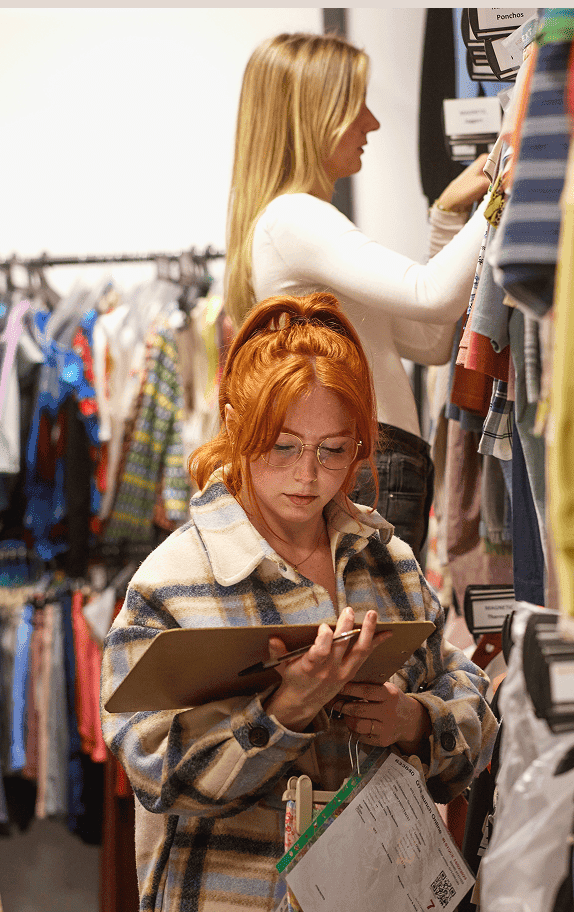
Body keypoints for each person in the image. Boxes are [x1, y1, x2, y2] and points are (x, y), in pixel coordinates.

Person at [100, 292, 498, 912]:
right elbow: (152, 767)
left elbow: (471, 706)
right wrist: (284, 710)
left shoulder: (386, 562)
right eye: (283, 446)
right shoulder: (173, 582)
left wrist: (412, 721)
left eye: (334, 450)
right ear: (235, 424)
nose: (308, 476)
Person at [224, 31, 493, 559]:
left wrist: (444, 215)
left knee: (378, 634)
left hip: (384, 464)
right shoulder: (294, 218)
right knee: (378, 637)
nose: (370, 122)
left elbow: (429, 340)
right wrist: (507, 184)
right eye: (356, 107)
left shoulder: (295, 222)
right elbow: (433, 295)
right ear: (315, 115)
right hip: (373, 467)